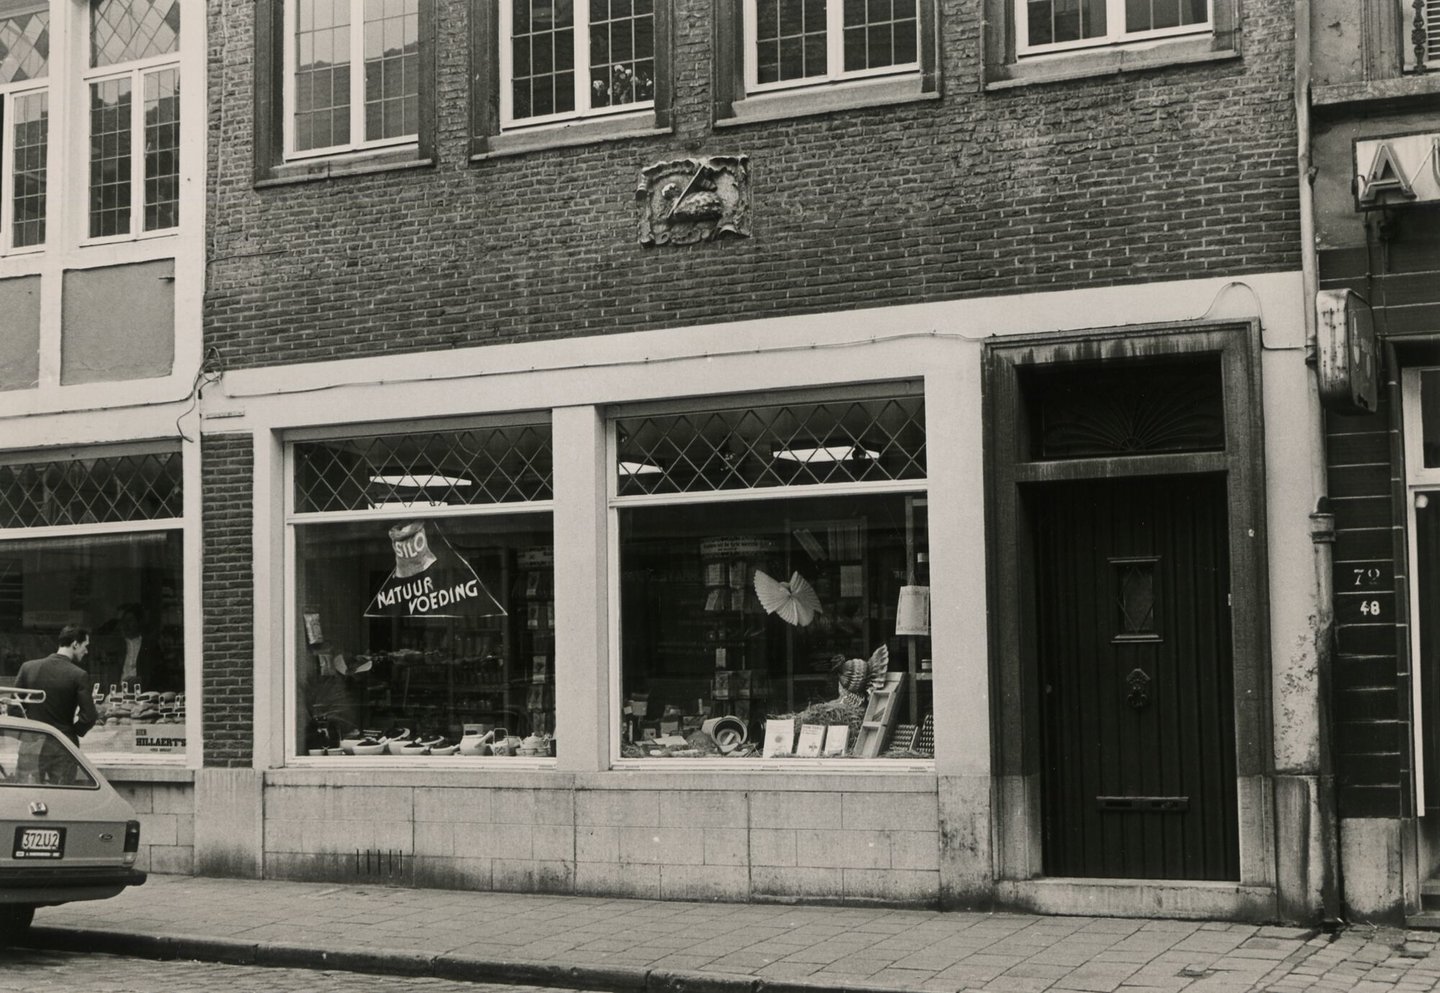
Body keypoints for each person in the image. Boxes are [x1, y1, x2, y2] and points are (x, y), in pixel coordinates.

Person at [14, 625, 99, 745]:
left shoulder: (27, 668)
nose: (86, 651)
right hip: (63, 747)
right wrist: (71, 733)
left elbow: (13, 707)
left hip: (31, 747)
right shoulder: (79, 675)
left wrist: (27, 735)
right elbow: (89, 717)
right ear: (75, 644)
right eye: (85, 646)